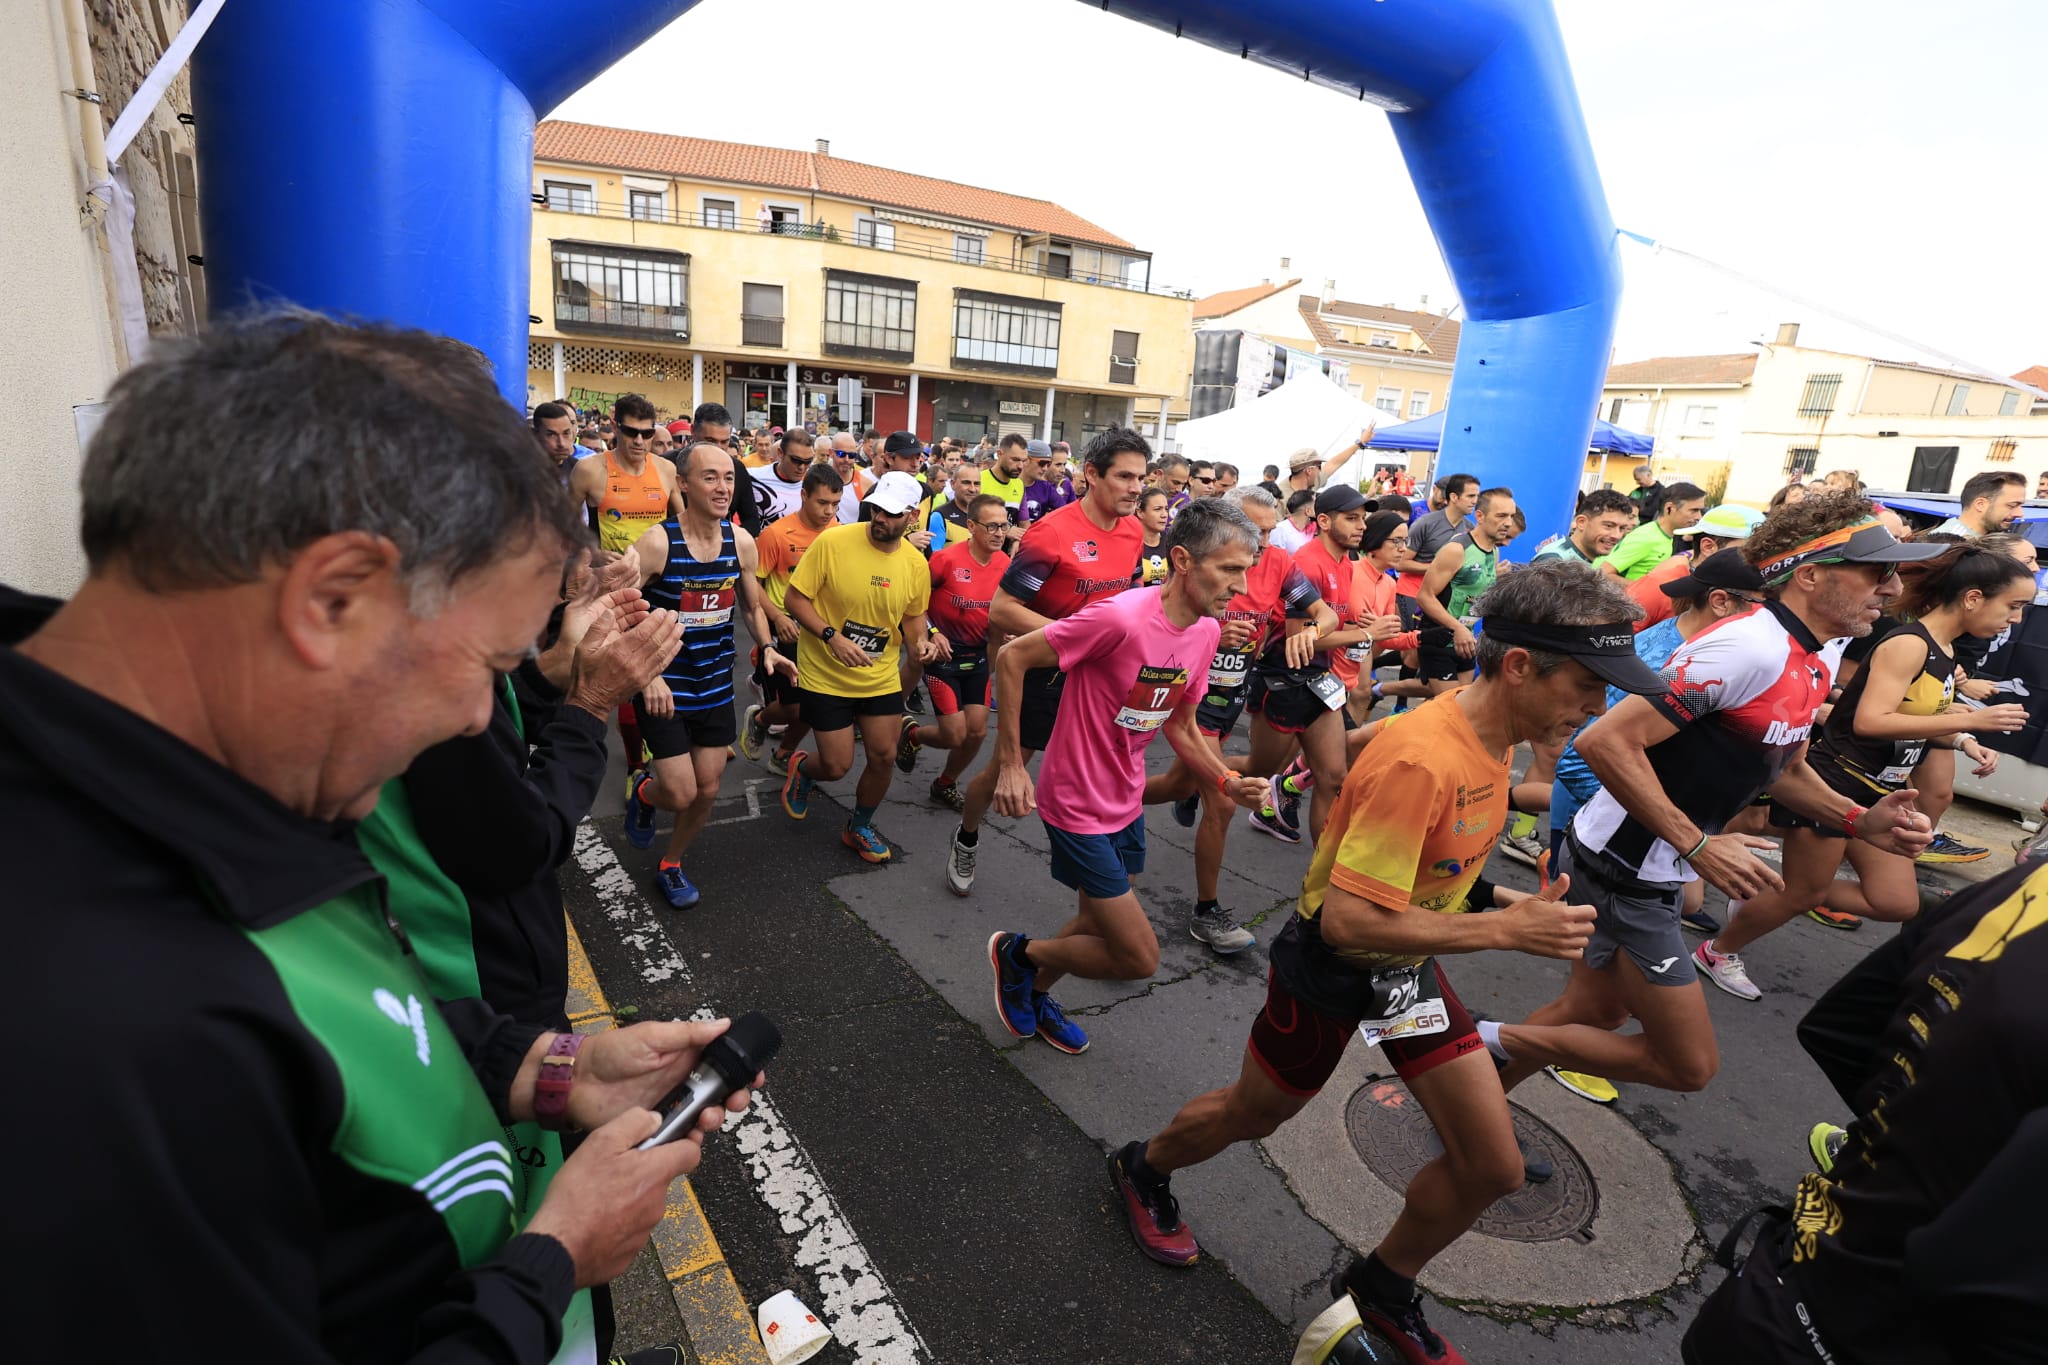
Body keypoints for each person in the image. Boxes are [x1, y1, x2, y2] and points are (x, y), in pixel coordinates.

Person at [8, 314, 756, 1362]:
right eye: (489, 667)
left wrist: (548, 1069)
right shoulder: (85, 1029)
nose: (473, 725)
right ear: (333, 597)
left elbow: (335, 1025)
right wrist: (548, 1261)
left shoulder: (210, 795)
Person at [1107, 562, 1663, 1365]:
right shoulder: (1426, 758)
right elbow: (1350, 916)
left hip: (1406, 970)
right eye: (1585, 683)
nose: (1598, 706)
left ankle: (1383, 1284)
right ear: (1517, 666)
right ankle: (1143, 1165)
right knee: (1253, 1113)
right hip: (1331, 969)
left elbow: (1426, 865)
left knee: (1492, 1165)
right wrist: (1510, 933)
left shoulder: (1487, 735)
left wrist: (1502, 903)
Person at [1488, 492, 1941, 1104]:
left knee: (1590, 1013)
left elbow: (1782, 766)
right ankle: (1474, 1043)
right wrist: (1697, 843)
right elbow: (1603, 744)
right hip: (1627, 869)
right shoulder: (1746, 648)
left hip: (1644, 862)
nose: (1890, 589)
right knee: (1687, 1065)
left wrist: (1860, 820)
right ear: (1809, 575)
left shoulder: (1808, 656)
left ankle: (1475, 1098)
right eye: (1876, 572)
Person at [1683, 859, 2048, 1365]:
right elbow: (1966, 1275)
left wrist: (1904, 1140)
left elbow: (1841, 1028)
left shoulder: (2028, 881)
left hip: (1778, 1290)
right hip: (1871, 1334)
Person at [986, 499, 1272, 1053]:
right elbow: (1012, 659)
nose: (1243, 585)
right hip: (1074, 800)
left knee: (1099, 926)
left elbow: (1183, 724)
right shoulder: (1118, 617)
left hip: (1126, 798)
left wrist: (1223, 780)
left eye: (1247, 569)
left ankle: (1033, 990)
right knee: (1137, 957)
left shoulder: (1207, 632)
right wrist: (1012, 764)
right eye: (1231, 569)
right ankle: (1018, 954)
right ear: (1184, 560)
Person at [1695, 546, 2033, 997]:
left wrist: (1963, 740)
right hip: (1840, 781)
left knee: (1895, 901)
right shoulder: (1908, 644)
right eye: (2013, 606)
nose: (2015, 619)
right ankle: (1717, 950)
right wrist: (1969, 720)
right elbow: (1871, 721)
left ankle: (1758, 887)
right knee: (1804, 893)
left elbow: (1920, 711)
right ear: (1973, 598)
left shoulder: (1944, 649)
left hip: (1884, 791)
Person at [946, 428, 1152, 895]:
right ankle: (967, 836)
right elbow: (1002, 609)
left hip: (1100, 674)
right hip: (1044, 670)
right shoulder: (1053, 533)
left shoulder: (1134, 530)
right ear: (1092, 475)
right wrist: (1072, 639)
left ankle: (1107, 874)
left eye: (1140, 477)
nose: (1136, 487)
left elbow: (1129, 597)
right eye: (1124, 476)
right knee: (1006, 767)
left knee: (1108, 766)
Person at [1144, 489, 1340, 949]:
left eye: (1271, 531)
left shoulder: (1277, 564)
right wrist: (1210, 633)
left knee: (1179, 785)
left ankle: (1109, 801)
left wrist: (1310, 632)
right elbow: (1161, 615)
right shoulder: (1202, 559)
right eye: (1256, 531)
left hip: (1232, 694)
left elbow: (1325, 615)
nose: (1264, 541)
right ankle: (1206, 913)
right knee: (1224, 800)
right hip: (1188, 697)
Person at [621, 442, 793, 908]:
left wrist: (769, 647)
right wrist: (646, 674)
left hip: (714, 681)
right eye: (710, 477)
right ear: (683, 484)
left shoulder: (741, 542)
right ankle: (644, 791)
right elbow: (617, 611)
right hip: (665, 685)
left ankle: (671, 863)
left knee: (709, 788)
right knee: (679, 792)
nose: (722, 488)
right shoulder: (657, 544)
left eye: (729, 478)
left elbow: (752, 605)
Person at [780, 471, 943, 862]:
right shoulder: (834, 541)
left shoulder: (915, 564)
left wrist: (922, 643)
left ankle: (859, 827)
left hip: (878, 674)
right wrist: (832, 637)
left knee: (884, 756)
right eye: (875, 509)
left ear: (911, 516)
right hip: (825, 670)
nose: (879, 518)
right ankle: (803, 769)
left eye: (890, 513)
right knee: (836, 766)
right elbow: (794, 599)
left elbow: (913, 618)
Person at [897, 494, 1012, 809]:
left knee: (975, 734)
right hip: (942, 656)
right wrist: (932, 633)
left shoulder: (1005, 564)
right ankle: (913, 735)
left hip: (978, 656)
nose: (999, 533)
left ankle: (944, 783)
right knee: (954, 735)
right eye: (992, 526)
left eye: (1004, 526)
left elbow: (1005, 608)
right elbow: (914, 603)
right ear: (972, 526)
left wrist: (1007, 628)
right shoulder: (946, 559)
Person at [741, 463, 845, 773]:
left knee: (818, 703)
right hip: (785, 625)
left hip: (821, 628)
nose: (829, 511)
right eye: (822, 502)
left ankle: (784, 753)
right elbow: (752, 584)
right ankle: (760, 718)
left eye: (835, 504)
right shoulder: (776, 534)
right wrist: (776, 617)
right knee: (794, 706)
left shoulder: (838, 532)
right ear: (803, 496)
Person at [1415, 486, 1517, 695]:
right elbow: (1425, 597)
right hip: (1441, 637)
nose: (1508, 522)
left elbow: (1475, 594)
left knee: (1451, 705)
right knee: (1453, 708)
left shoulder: (1494, 551)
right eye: (1501, 516)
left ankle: (1381, 692)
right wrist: (1456, 628)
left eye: (1511, 516)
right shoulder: (1457, 549)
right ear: (1480, 516)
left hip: (1466, 640)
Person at [1623, 503, 1766, 633]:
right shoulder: (1658, 585)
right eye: (1750, 551)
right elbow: (1611, 642)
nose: (1760, 559)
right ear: (1708, 547)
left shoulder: (1754, 591)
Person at [569, 392, 679, 555]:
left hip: (657, 575)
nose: (639, 441)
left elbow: (683, 526)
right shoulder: (588, 469)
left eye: (647, 434)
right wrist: (592, 553)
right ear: (615, 427)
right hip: (609, 573)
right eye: (631, 432)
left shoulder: (667, 469)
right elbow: (565, 524)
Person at [1393, 474, 1477, 633]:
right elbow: (1401, 564)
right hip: (1412, 591)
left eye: (1476, 496)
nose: (1475, 501)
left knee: (1424, 647)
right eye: (1470, 496)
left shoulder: (1469, 528)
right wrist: (1438, 567)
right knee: (1410, 649)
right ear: (1453, 497)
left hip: (1441, 597)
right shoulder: (1424, 522)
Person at [1601, 481, 1706, 582]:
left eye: (1700, 511)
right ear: (1669, 508)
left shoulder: (1668, 535)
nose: (1698, 517)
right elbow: (1604, 573)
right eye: (1694, 510)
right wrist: (1647, 589)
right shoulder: (1645, 537)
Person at [1533, 489, 1636, 566]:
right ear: (1581, 522)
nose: (1616, 535)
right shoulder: (1554, 562)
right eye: (1608, 526)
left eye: (1622, 528)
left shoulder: (1587, 560)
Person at [1930, 469, 2027, 538]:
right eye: (2012, 505)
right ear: (1981, 504)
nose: (2019, 514)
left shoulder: (1983, 541)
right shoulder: (1950, 545)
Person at [921, 459, 984, 554]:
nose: (972, 489)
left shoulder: (985, 515)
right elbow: (935, 559)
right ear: (953, 484)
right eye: (966, 483)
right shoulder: (939, 516)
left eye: (976, 484)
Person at [753, 427, 815, 521]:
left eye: (808, 461)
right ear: (780, 453)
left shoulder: (815, 484)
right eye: (796, 460)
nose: (802, 467)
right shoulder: (753, 477)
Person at [981, 433, 1031, 544]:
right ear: (999, 454)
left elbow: (1024, 524)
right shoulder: (979, 481)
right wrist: (1005, 530)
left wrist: (1018, 542)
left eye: (1023, 461)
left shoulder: (1019, 485)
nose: (1020, 466)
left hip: (1008, 557)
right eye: (1015, 460)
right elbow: (968, 521)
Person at [532, 400, 586, 481]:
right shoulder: (519, 472)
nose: (561, 443)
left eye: (566, 433)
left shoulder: (579, 471)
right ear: (535, 434)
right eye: (551, 435)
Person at [1136, 486, 1171, 586]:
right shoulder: (1130, 543)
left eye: (1166, 509)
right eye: (1157, 509)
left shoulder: (1171, 541)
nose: (1164, 515)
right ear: (1140, 512)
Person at [1270, 487, 1318, 554]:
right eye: (1316, 504)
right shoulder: (1280, 530)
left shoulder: (1316, 528)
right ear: (1308, 511)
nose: (1319, 506)